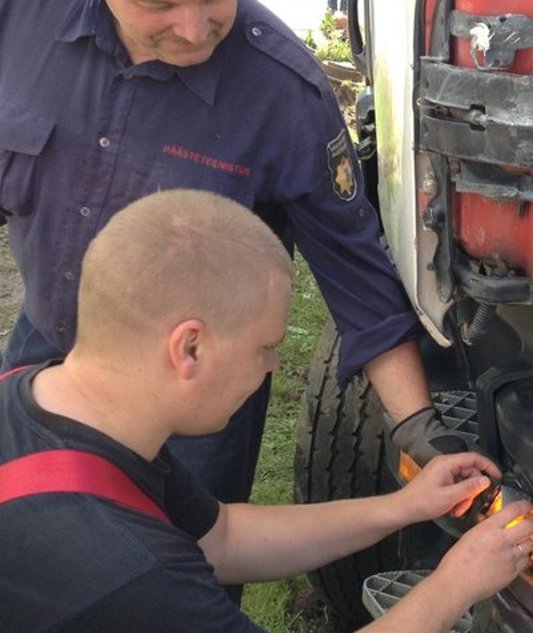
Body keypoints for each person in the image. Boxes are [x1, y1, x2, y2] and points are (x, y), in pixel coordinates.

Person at [0, 189, 533, 633]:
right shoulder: (116, 571)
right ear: (190, 347)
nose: (272, 369)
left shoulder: (43, 399)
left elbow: (223, 535)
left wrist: (405, 506)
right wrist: (459, 579)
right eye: (264, 347)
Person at [0, 0, 480, 505]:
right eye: (159, 5)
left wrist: (416, 427)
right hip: (44, 357)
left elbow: (357, 276)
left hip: (191, 404)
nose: (191, 29)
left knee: (183, 567)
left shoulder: (283, 92)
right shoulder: (21, 16)